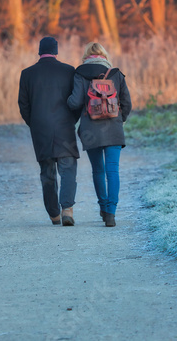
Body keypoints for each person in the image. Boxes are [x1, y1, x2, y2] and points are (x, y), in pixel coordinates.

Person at [67, 42, 132, 227]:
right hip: (113, 129)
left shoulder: (80, 73)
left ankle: (103, 208)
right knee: (113, 170)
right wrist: (120, 119)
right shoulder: (116, 74)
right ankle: (111, 213)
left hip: (91, 130)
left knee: (98, 170)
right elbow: (127, 103)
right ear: (104, 55)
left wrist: (67, 100)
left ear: (87, 56)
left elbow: (74, 102)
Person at [18, 37, 80, 226]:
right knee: (68, 169)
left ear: (39, 51)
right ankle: (67, 210)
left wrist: (34, 123)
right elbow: (76, 101)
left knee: (47, 172)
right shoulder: (69, 71)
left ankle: (54, 214)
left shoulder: (27, 74)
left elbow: (23, 105)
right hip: (64, 127)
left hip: (40, 129)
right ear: (56, 51)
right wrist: (72, 120)